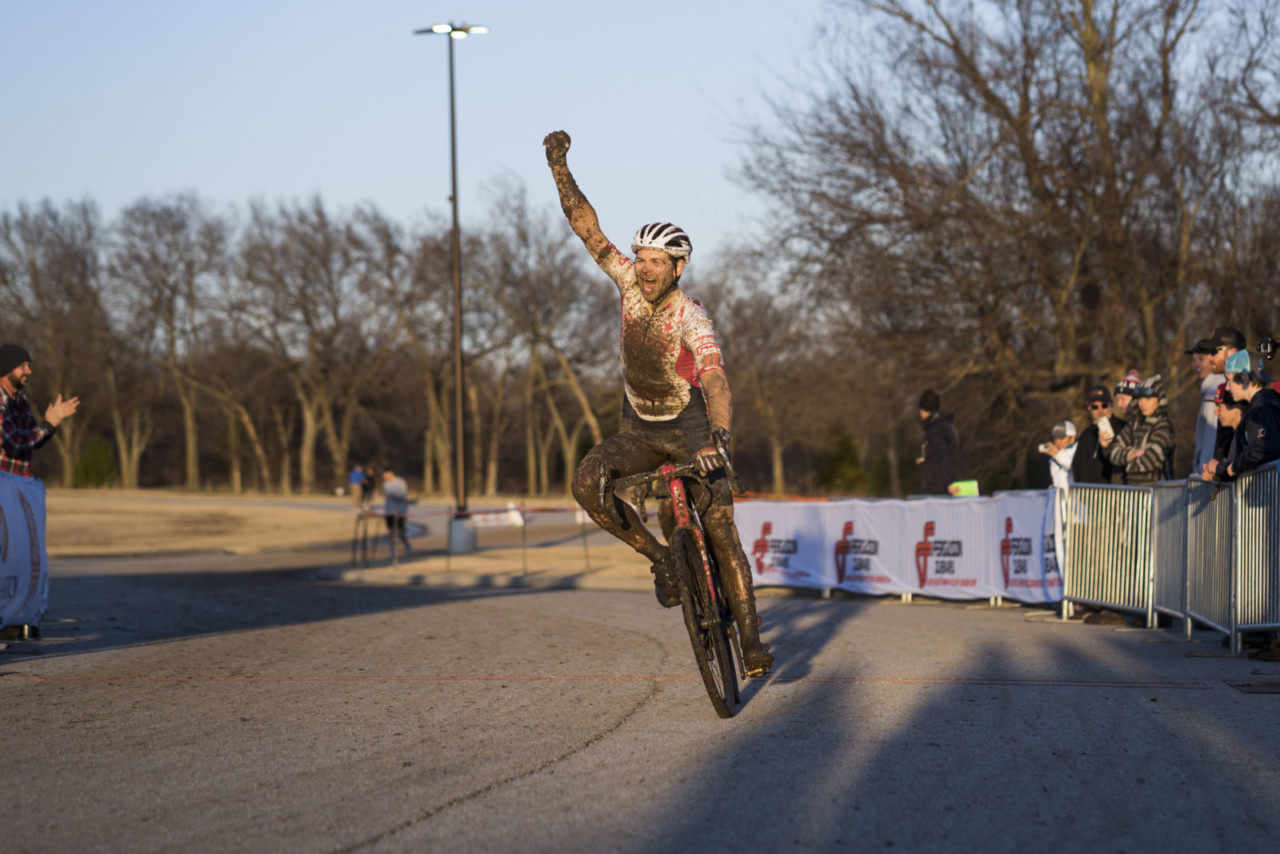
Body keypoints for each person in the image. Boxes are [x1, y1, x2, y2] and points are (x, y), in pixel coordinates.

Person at [542, 129, 772, 676]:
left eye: (656, 262)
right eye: (640, 258)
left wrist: (720, 437)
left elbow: (715, 379)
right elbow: (586, 228)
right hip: (640, 427)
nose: (643, 268)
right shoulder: (625, 283)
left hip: (693, 428)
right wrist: (558, 166)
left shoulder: (691, 316)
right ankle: (664, 558)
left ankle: (750, 637)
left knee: (720, 529)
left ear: (678, 267)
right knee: (586, 483)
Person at [0, 344, 79, 477]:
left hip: (17, 484)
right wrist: (47, 425)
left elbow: (33, 440)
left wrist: (51, 423)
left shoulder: (21, 401)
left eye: (29, 366)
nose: (29, 371)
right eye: (22, 367)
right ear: (6, 370)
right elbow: (14, 444)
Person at [1209, 351, 1280, 479]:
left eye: (1229, 381)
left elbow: (1264, 450)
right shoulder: (1267, 402)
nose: (1228, 388)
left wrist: (1235, 466)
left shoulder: (1261, 409)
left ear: (1245, 378)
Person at [1106, 374, 1176, 485]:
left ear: (1159, 400)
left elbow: (1151, 460)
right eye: (1140, 398)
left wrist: (1125, 461)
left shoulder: (1163, 426)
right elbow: (1113, 452)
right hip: (1132, 494)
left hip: (1157, 494)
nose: (1142, 403)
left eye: (1148, 398)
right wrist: (1133, 453)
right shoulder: (1134, 423)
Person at [1072, 385, 1127, 485]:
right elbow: (1077, 465)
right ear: (1089, 407)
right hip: (1087, 495)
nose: (1100, 410)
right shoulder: (1086, 435)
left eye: (1104, 405)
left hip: (1114, 494)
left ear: (1111, 404)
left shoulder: (1124, 429)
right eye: (1095, 407)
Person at [917, 390, 963, 495]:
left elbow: (943, 456)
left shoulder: (935, 430)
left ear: (924, 410)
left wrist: (948, 484)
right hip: (944, 484)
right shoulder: (946, 426)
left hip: (939, 487)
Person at [1200, 383, 1248, 482]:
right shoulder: (1235, 435)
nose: (1215, 412)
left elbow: (1242, 468)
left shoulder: (1247, 434)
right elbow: (1233, 472)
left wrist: (1217, 468)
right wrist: (1215, 474)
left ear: (1237, 408)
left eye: (1219, 407)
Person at [381, 468, 412, 554]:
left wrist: (394, 495)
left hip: (400, 510)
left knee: (400, 531)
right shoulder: (385, 484)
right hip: (389, 510)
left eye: (385, 474)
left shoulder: (400, 482)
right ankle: (392, 549)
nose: (384, 476)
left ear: (391, 473)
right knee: (391, 531)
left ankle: (406, 544)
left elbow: (403, 495)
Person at [1041, 420, 1077, 491]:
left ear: (1072, 438)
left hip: (1076, 500)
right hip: (1060, 500)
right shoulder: (1054, 457)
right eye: (1055, 438)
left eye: (1061, 438)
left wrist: (1057, 454)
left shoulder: (1079, 450)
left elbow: (1075, 466)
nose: (1057, 442)